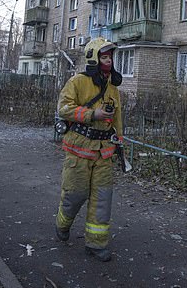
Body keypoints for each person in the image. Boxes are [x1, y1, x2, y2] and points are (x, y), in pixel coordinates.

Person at [55, 37, 124, 262]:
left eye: (110, 57)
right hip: (79, 150)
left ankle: (96, 243)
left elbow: (118, 119)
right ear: (94, 58)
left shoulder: (113, 88)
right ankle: (62, 223)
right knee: (75, 195)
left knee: (103, 199)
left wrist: (119, 143)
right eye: (104, 56)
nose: (108, 61)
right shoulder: (77, 82)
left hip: (104, 152)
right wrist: (91, 114)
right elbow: (64, 109)